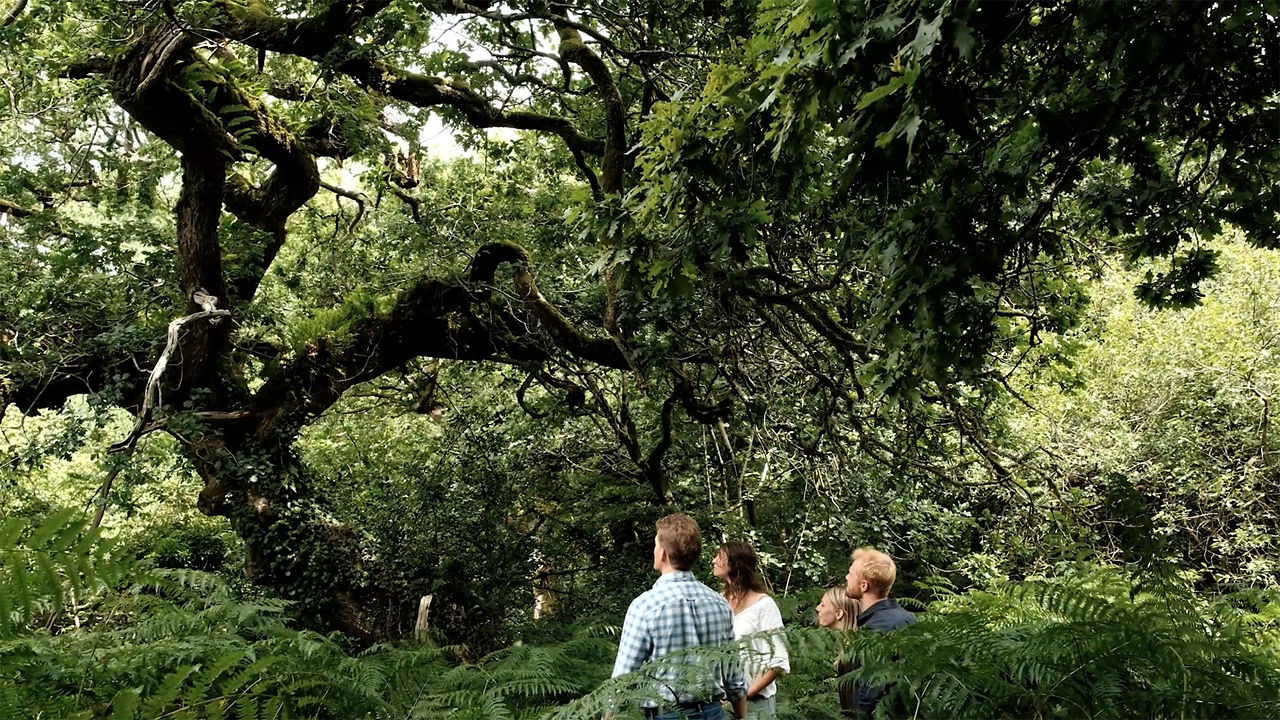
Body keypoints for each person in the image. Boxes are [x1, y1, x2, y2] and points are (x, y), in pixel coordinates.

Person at [612, 514, 748, 720]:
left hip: (665, 715)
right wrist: (741, 717)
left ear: (664, 554)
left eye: (656, 544)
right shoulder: (719, 603)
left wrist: (608, 715)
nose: (654, 550)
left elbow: (622, 680)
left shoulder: (646, 606)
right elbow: (733, 674)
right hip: (713, 713)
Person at [712, 541, 790, 719]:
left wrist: (745, 695)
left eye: (720, 556)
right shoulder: (718, 602)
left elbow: (778, 662)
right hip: (721, 705)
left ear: (736, 563)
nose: (714, 560)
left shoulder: (764, 606)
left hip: (757, 704)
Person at [844, 547, 916, 719]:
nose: (846, 577)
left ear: (864, 585)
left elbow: (870, 690)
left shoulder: (875, 628)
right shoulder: (908, 618)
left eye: (851, 574)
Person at [815, 587, 860, 715]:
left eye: (823, 605)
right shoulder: (847, 647)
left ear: (839, 614)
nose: (818, 608)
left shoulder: (853, 654)